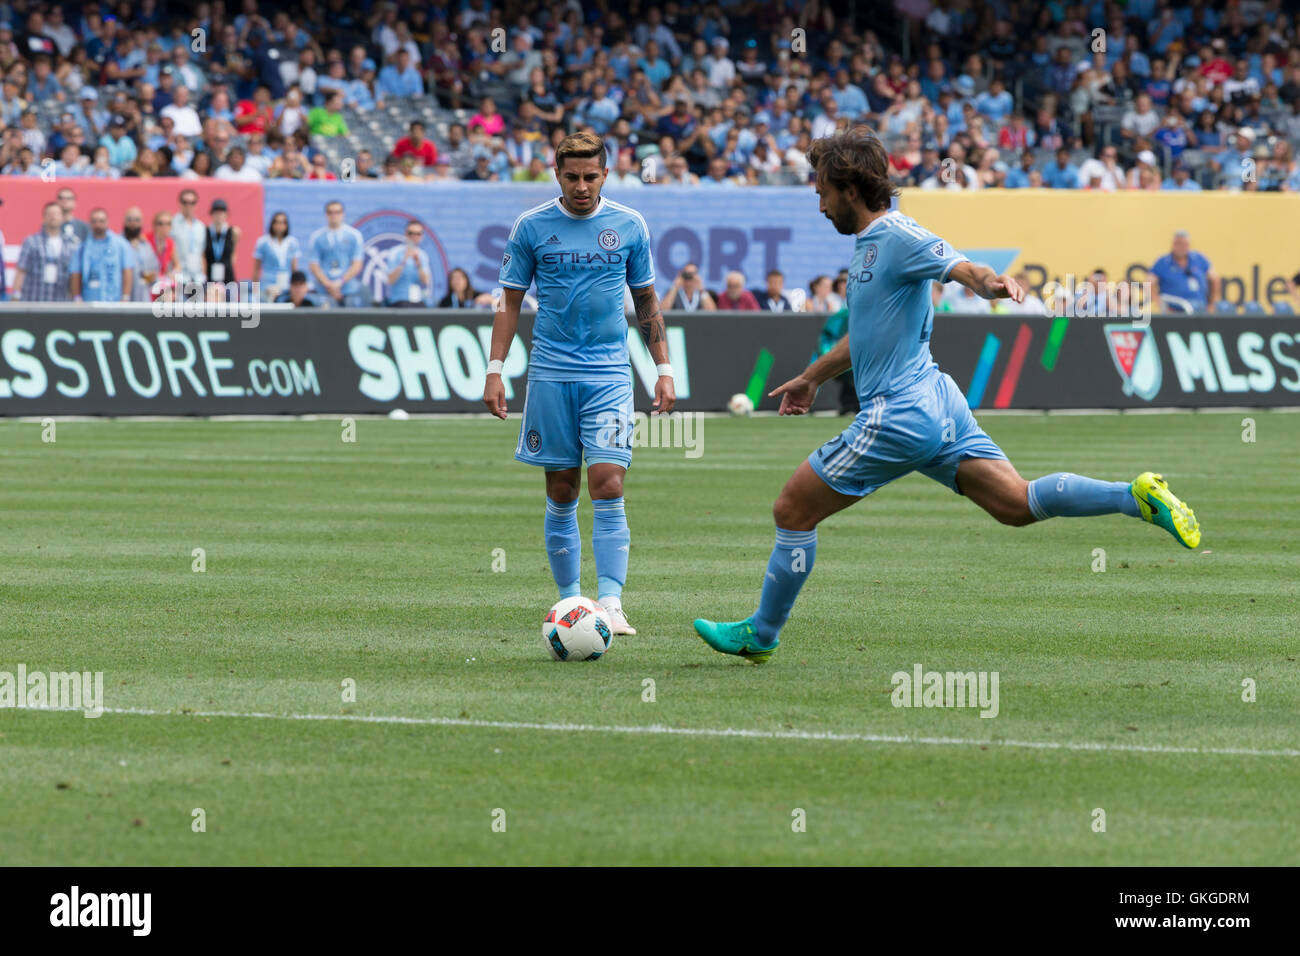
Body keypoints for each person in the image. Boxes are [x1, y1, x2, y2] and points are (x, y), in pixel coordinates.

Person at [692, 128, 1202, 662]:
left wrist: (989, 283)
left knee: (792, 510)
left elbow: (961, 267)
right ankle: (1135, 496)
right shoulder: (872, 247)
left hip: (901, 413)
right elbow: (866, 335)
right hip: (939, 401)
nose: (818, 203)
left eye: (822, 190)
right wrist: (813, 376)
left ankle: (763, 634)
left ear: (849, 186)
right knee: (1016, 504)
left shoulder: (896, 235)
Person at [482, 131, 674, 637]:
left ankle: (610, 601)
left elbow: (648, 301)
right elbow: (509, 301)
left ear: (606, 174)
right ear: (557, 175)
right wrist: (496, 369)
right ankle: (571, 604)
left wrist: (664, 368)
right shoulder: (532, 226)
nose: (582, 186)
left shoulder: (630, 225)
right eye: (572, 177)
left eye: (591, 176)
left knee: (608, 481)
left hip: (609, 372)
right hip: (550, 372)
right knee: (562, 489)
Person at [12, 201, 75, 301]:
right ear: (43, 218)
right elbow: (21, 270)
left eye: (56, 214)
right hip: (34, 299)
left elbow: (73, 276)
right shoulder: (31, 242)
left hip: (60, 301)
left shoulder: (70, 245)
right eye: (49, 214)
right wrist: (15, 295)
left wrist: (75, 297)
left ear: (62, 218)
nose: (53, 217)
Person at [70, 207, 134, 303]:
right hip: (90, 300)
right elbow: (76, 273)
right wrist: (77, 297)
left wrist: (125, 296)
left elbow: (127, 271)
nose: (98, 225)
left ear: (108, 222)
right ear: (90, 223)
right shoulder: (83, 247)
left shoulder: (120, 244)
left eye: (101, 221)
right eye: (94, 221)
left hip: (114, 300)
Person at [308, 200, 365, 306]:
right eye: (331, 212)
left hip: (348, 289)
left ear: (343, 214)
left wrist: (340, 282)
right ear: (326, 214)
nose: (334, 215)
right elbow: (314, 265)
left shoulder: (354, 235)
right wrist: (329, 285)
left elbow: (357, 264)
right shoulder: (317, 237)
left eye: (337, 212)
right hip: (324, 290)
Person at [1149, 230, 1218, 312]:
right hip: (1175, 311)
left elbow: (1215, 279)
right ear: (1173, 245)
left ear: (1189, 245)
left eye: (1184, 244)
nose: (1181, 247)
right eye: (1178, 244)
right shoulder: (1163, 262)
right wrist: (1161, 305)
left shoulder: (1199, 259)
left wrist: (1212, 304)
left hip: (1200, 310)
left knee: (1224, 308)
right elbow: (1149, 284)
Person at [253, 211, 301, 301]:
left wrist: (294, 287)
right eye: (277, 222)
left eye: (283, 223)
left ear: (286, 225)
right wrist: (255, 290)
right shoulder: (263, 242)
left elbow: (294, 269)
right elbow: (256, 270)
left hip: (286, 285)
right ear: (272, 224)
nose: (280, 226)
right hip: (268, 284)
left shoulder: (292, 242)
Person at [384, 220, 432, 306]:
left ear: (422, 236)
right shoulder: (395, 252)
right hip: (399, 301)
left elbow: (426, 282)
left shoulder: (423, 255)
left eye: (418, 234)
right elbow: (390, 280)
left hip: (418, 300)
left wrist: (419, 265)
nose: (414, 237)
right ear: (405, 234)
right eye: (411, 233)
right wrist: (404, 260)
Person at [122, 206, 159, 301]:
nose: (133, 223)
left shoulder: (146, 245)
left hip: (143, 298)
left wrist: (152, 276)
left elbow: (155, 269)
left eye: (136, 220)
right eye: (129, 219)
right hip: (123, 299)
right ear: (124, 222)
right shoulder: (118, 244)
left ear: (141, 223)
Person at [172, 188, 207, 285]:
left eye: (192, 202)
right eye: (185, 202)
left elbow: (202, 253)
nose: (188, 205)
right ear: (180, 203)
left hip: (198, 277)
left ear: (196, 204)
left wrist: (204, 274)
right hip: (180, 276)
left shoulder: (200, 226)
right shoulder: (172, 224)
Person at [203, 198, 239, 289]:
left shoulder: (234, 232)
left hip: (228, 276)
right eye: (216, 212)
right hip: (210, 276)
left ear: (226, 214)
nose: (219, 215)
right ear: (211, 214)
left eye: (222, 212)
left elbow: (234, 253)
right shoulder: (205, 232)